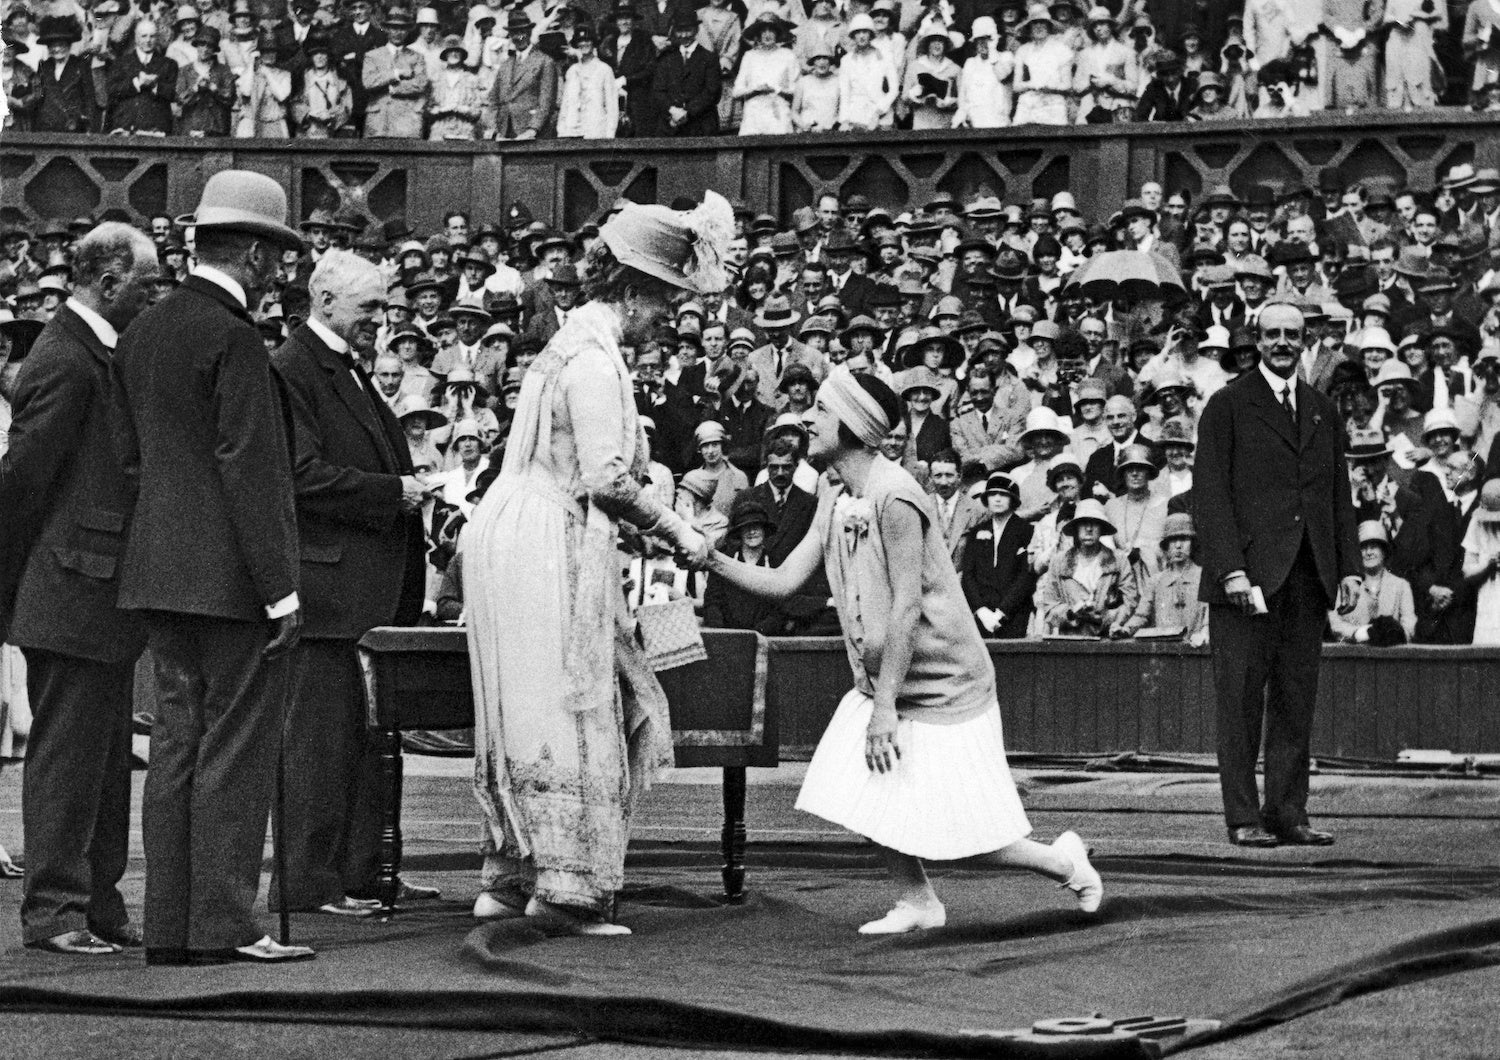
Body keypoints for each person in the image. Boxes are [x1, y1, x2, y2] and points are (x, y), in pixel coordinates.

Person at [704, 365, 1101, 931]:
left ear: (849, 424)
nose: (806, 420)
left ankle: (1064, 863)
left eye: (819, 410)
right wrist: (711, 559)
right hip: (887, 678)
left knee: (961, 834)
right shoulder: (834, 490)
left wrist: (884, 709)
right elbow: (786, 580)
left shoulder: (896, 495)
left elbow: (906, 608)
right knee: (862, 793)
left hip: (944, 682)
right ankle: (917, 900)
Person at [463, 194, 726, 935]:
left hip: (513, 529)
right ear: (635, 291)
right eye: (667, 303)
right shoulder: (593, 358)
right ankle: (567, 889)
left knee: (527, 701)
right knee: (574, 702)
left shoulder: (567, 345)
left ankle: (509, 877)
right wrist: (680, 531)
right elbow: (605, 479)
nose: (670, 318)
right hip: (544, 538)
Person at [112, 171, 312, 965]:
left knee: (175, 750)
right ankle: (225, 925)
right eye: (278, 259)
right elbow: (250, 470)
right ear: (259, 257)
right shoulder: (234, 338)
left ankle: (170, 928)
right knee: (234, 754)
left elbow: (130, 461)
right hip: (231, 583)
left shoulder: (143, 331)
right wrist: (282, 588)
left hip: (158, 572)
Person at [0, 223, 159, 956]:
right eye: (147, 282)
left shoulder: (94, 351)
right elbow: (21, 487)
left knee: (101, 760)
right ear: (109, 281)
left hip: (95, 588)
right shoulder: (66, 358)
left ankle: (95, 902)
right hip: (68, 589)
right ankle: (56, 911)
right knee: (68, 758)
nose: (154, 294)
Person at [267, 250, 435, 919]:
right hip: (331, 594)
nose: (382, 320)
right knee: (318, 747)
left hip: (365, 593)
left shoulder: (345, 369)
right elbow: (299, 477)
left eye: (386, 307)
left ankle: (365, 874)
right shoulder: (294, 368)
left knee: (365, 747)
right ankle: (310, 884)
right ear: (327, 299)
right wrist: (394, 492)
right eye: (371, 308)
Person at [1194, 303, 1362, 849]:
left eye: (1293, 334)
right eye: (1273, 335)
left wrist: (1350, 568)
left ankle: (1288, 813)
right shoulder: (1228, 405)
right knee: (1240, 703)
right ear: (1257, 341)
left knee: (1295, 699)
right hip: (1247, 582)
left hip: (1309, 575)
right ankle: (1243, 817)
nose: (1283, 343)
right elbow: (1211, 495)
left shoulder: (1320, 408)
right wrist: (1231, 571)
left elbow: (1338, 495)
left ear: (1306, 339)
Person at [1035, 499, 1139, 636]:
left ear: (1101, 528)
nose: (1089, 529)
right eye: (1083, 523)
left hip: (1108, 639)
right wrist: (1072, 613)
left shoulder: (1118, 560)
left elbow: (1130, 602)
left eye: (1094, 524)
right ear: (1076, 528)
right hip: (1071, 641)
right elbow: (1049, 606)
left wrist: (1106, 617)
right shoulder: (1059, 562)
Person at [959, 472, 1036, 639]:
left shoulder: (1027, 531)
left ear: (1013, 499)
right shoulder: (977, 531)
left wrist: (1001, 612)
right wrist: (981, 610)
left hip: (1014, 614)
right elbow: (968, 575)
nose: (997, 499)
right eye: (993, 494)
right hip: (981, 616)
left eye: (1003, 494)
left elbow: (1026, 576)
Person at [1118, 512, 1208, 642]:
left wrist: (1205, 634)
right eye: (1173, 540)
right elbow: (1142, 616)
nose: (1178, 546)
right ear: (1166, 545)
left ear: (1192, 543)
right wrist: (1126, 629)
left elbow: (1208, 619)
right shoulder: (1156, 581)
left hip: (1196, 650)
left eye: (1183, 539)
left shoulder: (1204, 578)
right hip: (1164, 652)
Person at [1328, 521, 1417, 644]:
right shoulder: (1346, 585)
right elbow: (1335, 623)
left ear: (1384, 551)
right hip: (1353, 655)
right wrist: (1359, 633)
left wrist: (1393, 635)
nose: (1368, 552)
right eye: (1363, 547)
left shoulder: (1401, 586)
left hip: (1391, 655)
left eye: (1374, 547)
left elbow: (1409, 625)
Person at [362, 5, 429, 137]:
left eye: (402, 29)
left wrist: (393, 88)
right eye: (394, 28)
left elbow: (420, 84)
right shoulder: (372, 56)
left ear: (407, 31)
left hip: (407, 122)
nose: (398, 32)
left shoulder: (416, 57)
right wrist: (396, 73)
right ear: (386, 29)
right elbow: (369, 82)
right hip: (379, 121)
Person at [556, 25, 618, 139]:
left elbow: (612, 106)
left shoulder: (604, 70)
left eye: (587, 40)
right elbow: (566, 104)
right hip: (572, 131)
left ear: (593, 42)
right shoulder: (572, 71)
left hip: (596, 130)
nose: (584, 44)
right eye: (580, 41)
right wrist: (561, 130)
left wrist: (610, 134)